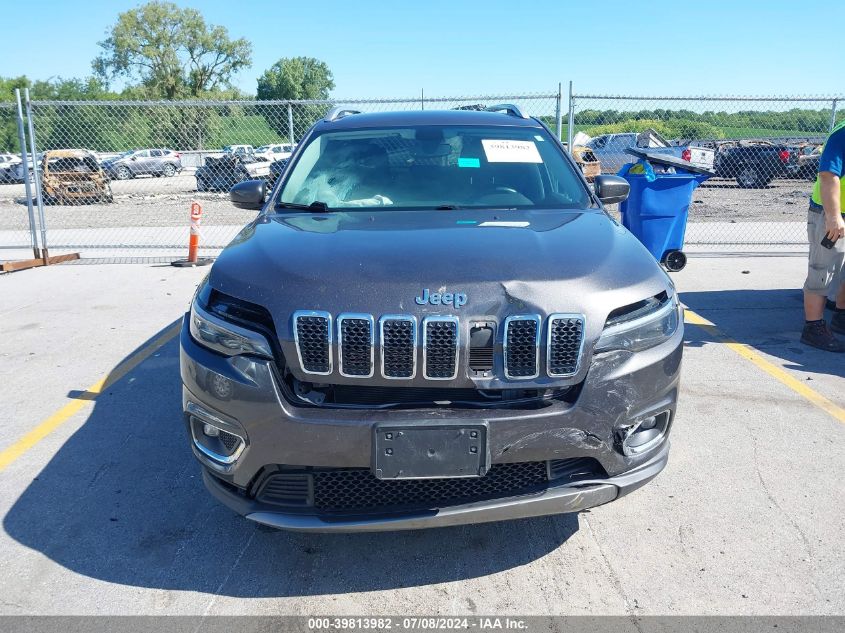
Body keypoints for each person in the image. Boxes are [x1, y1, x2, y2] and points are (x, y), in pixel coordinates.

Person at [802, 119, 845, 351]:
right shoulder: (843, 133)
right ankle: (813, 327)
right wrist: (833, 216)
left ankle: (841, 316)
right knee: (822, 272)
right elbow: (829, 175)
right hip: (831, 215)